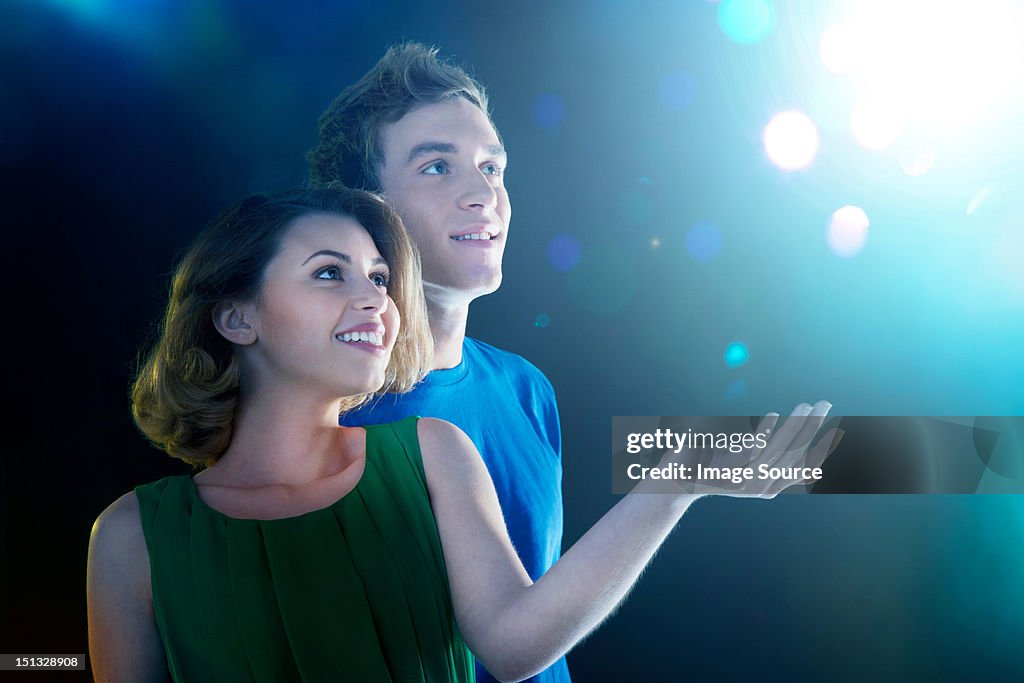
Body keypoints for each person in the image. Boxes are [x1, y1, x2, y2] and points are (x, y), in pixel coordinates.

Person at [87, 186, 836, 682]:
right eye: (329, 273)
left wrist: (676, 480)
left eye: (380, 277)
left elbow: (513, 646)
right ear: (236, 316)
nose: (375, 299)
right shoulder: (129, 537)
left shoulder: (435, 451)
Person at [306, 45, 565, 682]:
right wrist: (672, 487)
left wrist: (722, 457)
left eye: (492, 167)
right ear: (366, 207)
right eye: (438, 167)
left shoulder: (529, 391)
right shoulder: (326, 419)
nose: (484, 195)